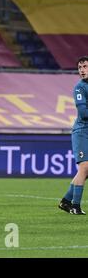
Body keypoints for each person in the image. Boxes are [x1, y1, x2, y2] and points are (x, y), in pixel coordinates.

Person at [58, 56, 88, 215]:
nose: (82, 70)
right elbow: (83, 113)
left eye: (85, 66)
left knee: (86, 171)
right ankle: (75, 206)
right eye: (80, 67)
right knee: (85, 166)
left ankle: (66, 202)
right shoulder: (79, 87)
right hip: (82, 131)